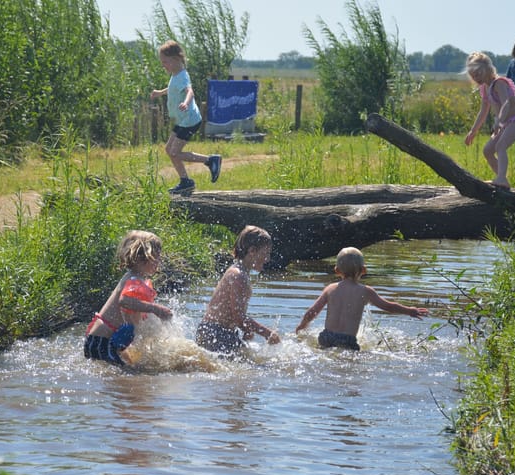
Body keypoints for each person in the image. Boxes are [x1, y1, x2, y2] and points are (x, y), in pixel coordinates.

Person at [295, 247, 428, 350]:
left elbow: (312, 312)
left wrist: (302, 326)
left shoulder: (330, 289)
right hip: (348, 340)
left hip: (326, 337)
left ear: (337, 270)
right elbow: (388, 306)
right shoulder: (366, 291)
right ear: (364, 270)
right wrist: (409, 310)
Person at [84, 230, 173, 366]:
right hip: (103, 340)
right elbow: (124, 301)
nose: (159, 261)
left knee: (129, 369)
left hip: (108, 339)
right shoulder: (134, 279)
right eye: (156, 256)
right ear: (139, 258)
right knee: (124, 376)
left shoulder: (139, 279)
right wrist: (156, 309)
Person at [196, 225, 281, 356]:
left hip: (219, 332)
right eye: (265, 253)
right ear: (252, 251)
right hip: (215, 333)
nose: (268, 259)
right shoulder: (238, 276)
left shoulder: (240, 272)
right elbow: (239, 316)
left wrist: (246, 330)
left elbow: (236, 316)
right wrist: (267, 333)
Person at [150, 40, 221, 196]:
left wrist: (186, 102)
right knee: (169, 150)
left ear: (176, 58)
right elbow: (173, 88)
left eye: (165, 62)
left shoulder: (182, 75)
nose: (163, 65)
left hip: (189, 121)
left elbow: (190, 91)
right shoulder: (176, 75)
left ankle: (210, 161)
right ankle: (185, 181)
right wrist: (160, 92)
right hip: (184, 121)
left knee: (174, 152)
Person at [464, 51, 515, 190]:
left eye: (478, 73)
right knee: (487, 150)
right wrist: (473, 131)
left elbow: (506, 103)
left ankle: (500, 178)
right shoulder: (485, 88)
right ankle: (503, 179)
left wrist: (499, 121)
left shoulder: (499, 83)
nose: (476, 78)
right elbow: (483, 112)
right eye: (473, 76)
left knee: (500, 146)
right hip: (506, 123)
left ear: (488, 69)